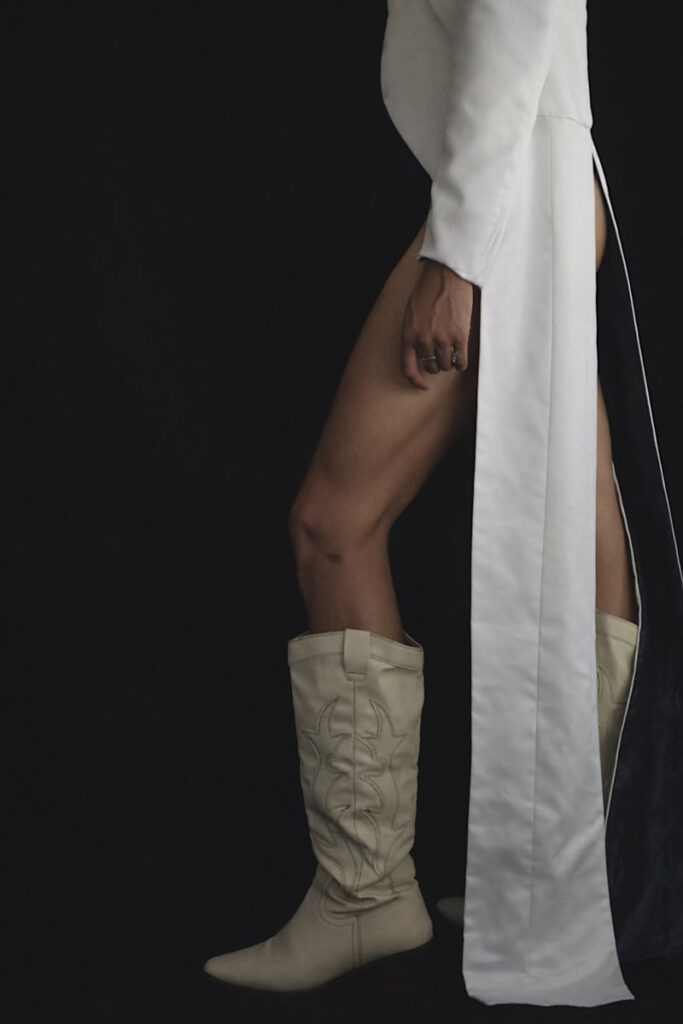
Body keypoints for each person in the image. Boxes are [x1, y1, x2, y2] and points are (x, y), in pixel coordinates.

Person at [203, 1, 682, 1007]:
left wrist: (458, 252)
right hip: (547, 180)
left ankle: (365, 891)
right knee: (578, 537)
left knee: (334, 525)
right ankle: (577, 880)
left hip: (509, 197)